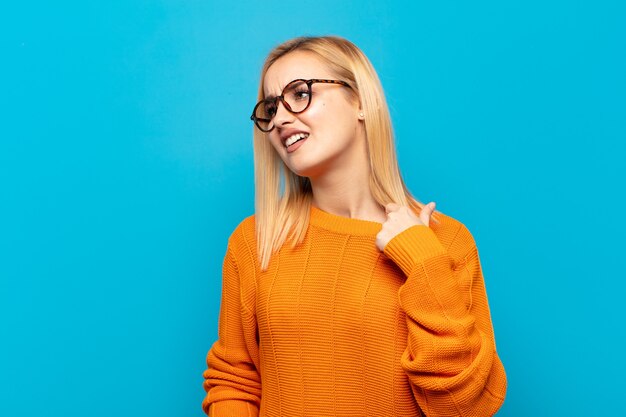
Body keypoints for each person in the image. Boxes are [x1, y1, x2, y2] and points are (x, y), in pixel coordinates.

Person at [202, 35, 507, 417]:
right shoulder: (255, 241)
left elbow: (464, 407)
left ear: (359, 100)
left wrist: (422, 260)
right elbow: (235, 381)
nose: (280, 118)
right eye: (270, 107)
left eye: (300, 94)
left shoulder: (444, 242)